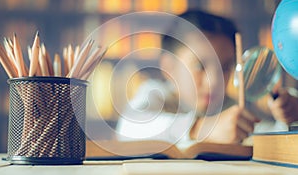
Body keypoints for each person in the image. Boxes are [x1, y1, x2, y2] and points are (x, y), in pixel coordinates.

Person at [116, 10, 298, 145]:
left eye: (225, 67)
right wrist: (201, 129)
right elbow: (127, 129)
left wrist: (288, 118)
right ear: (169, 68)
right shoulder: (155, 94)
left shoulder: (230, 109)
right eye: (200, 66)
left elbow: (265, 138)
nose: (215, 81)